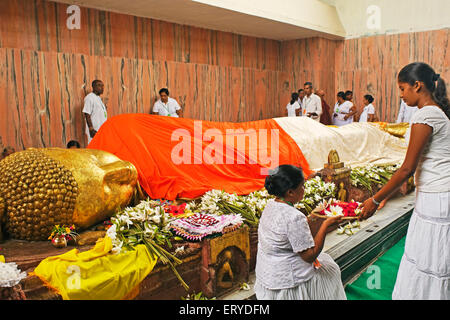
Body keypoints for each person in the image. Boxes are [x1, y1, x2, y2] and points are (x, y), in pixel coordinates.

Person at [360, 62, 450, 300]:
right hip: (436, 194)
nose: (400, 95)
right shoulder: (437, 111)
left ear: (417, 86)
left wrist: (375, 199)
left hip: (437, 198)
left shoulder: (426, 114)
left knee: (431, 257)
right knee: (430, 254)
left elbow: (407, 168)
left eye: (402, 89)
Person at [255, 165, 346, 300]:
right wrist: (325, 225)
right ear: (290, 192)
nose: (304, 189)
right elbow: (309, 256)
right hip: (288, 281)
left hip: (267, 275)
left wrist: (312, 217)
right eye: (302, 186)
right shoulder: (294, 217)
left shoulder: (270, 206)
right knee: (331, 271)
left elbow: (287, 232)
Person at [83, 80, 107, 144]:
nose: (102, 88)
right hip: (94, 130)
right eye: (99, 85)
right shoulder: (89, 98)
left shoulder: (98, 98)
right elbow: (87, 113)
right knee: (93, 149)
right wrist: (91, 129)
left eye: (102, 86)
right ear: (93, 87)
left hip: (101, 130)